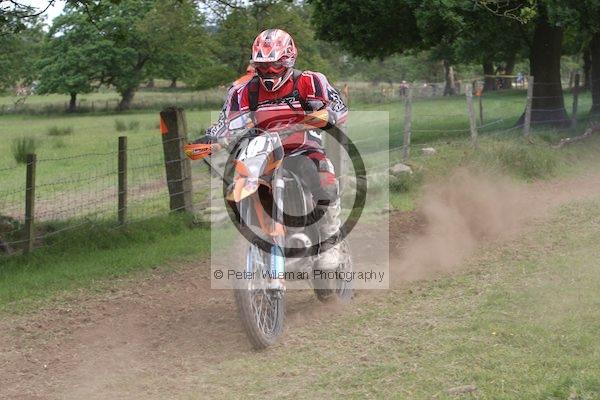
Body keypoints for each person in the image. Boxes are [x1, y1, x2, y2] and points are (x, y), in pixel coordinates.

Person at [188, 29, 348, 270]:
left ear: (288, 60)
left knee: (323, 179)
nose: (268, 72)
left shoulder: (310, 81)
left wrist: (328, 115)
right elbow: (225, 125)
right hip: (262, 152)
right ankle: (258, 236)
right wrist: (210, 140)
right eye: (262, 67)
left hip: (303, 148)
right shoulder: (243, 91)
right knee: (237, 187)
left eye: (274, 66)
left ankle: (331, 242)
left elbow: (339, 108)